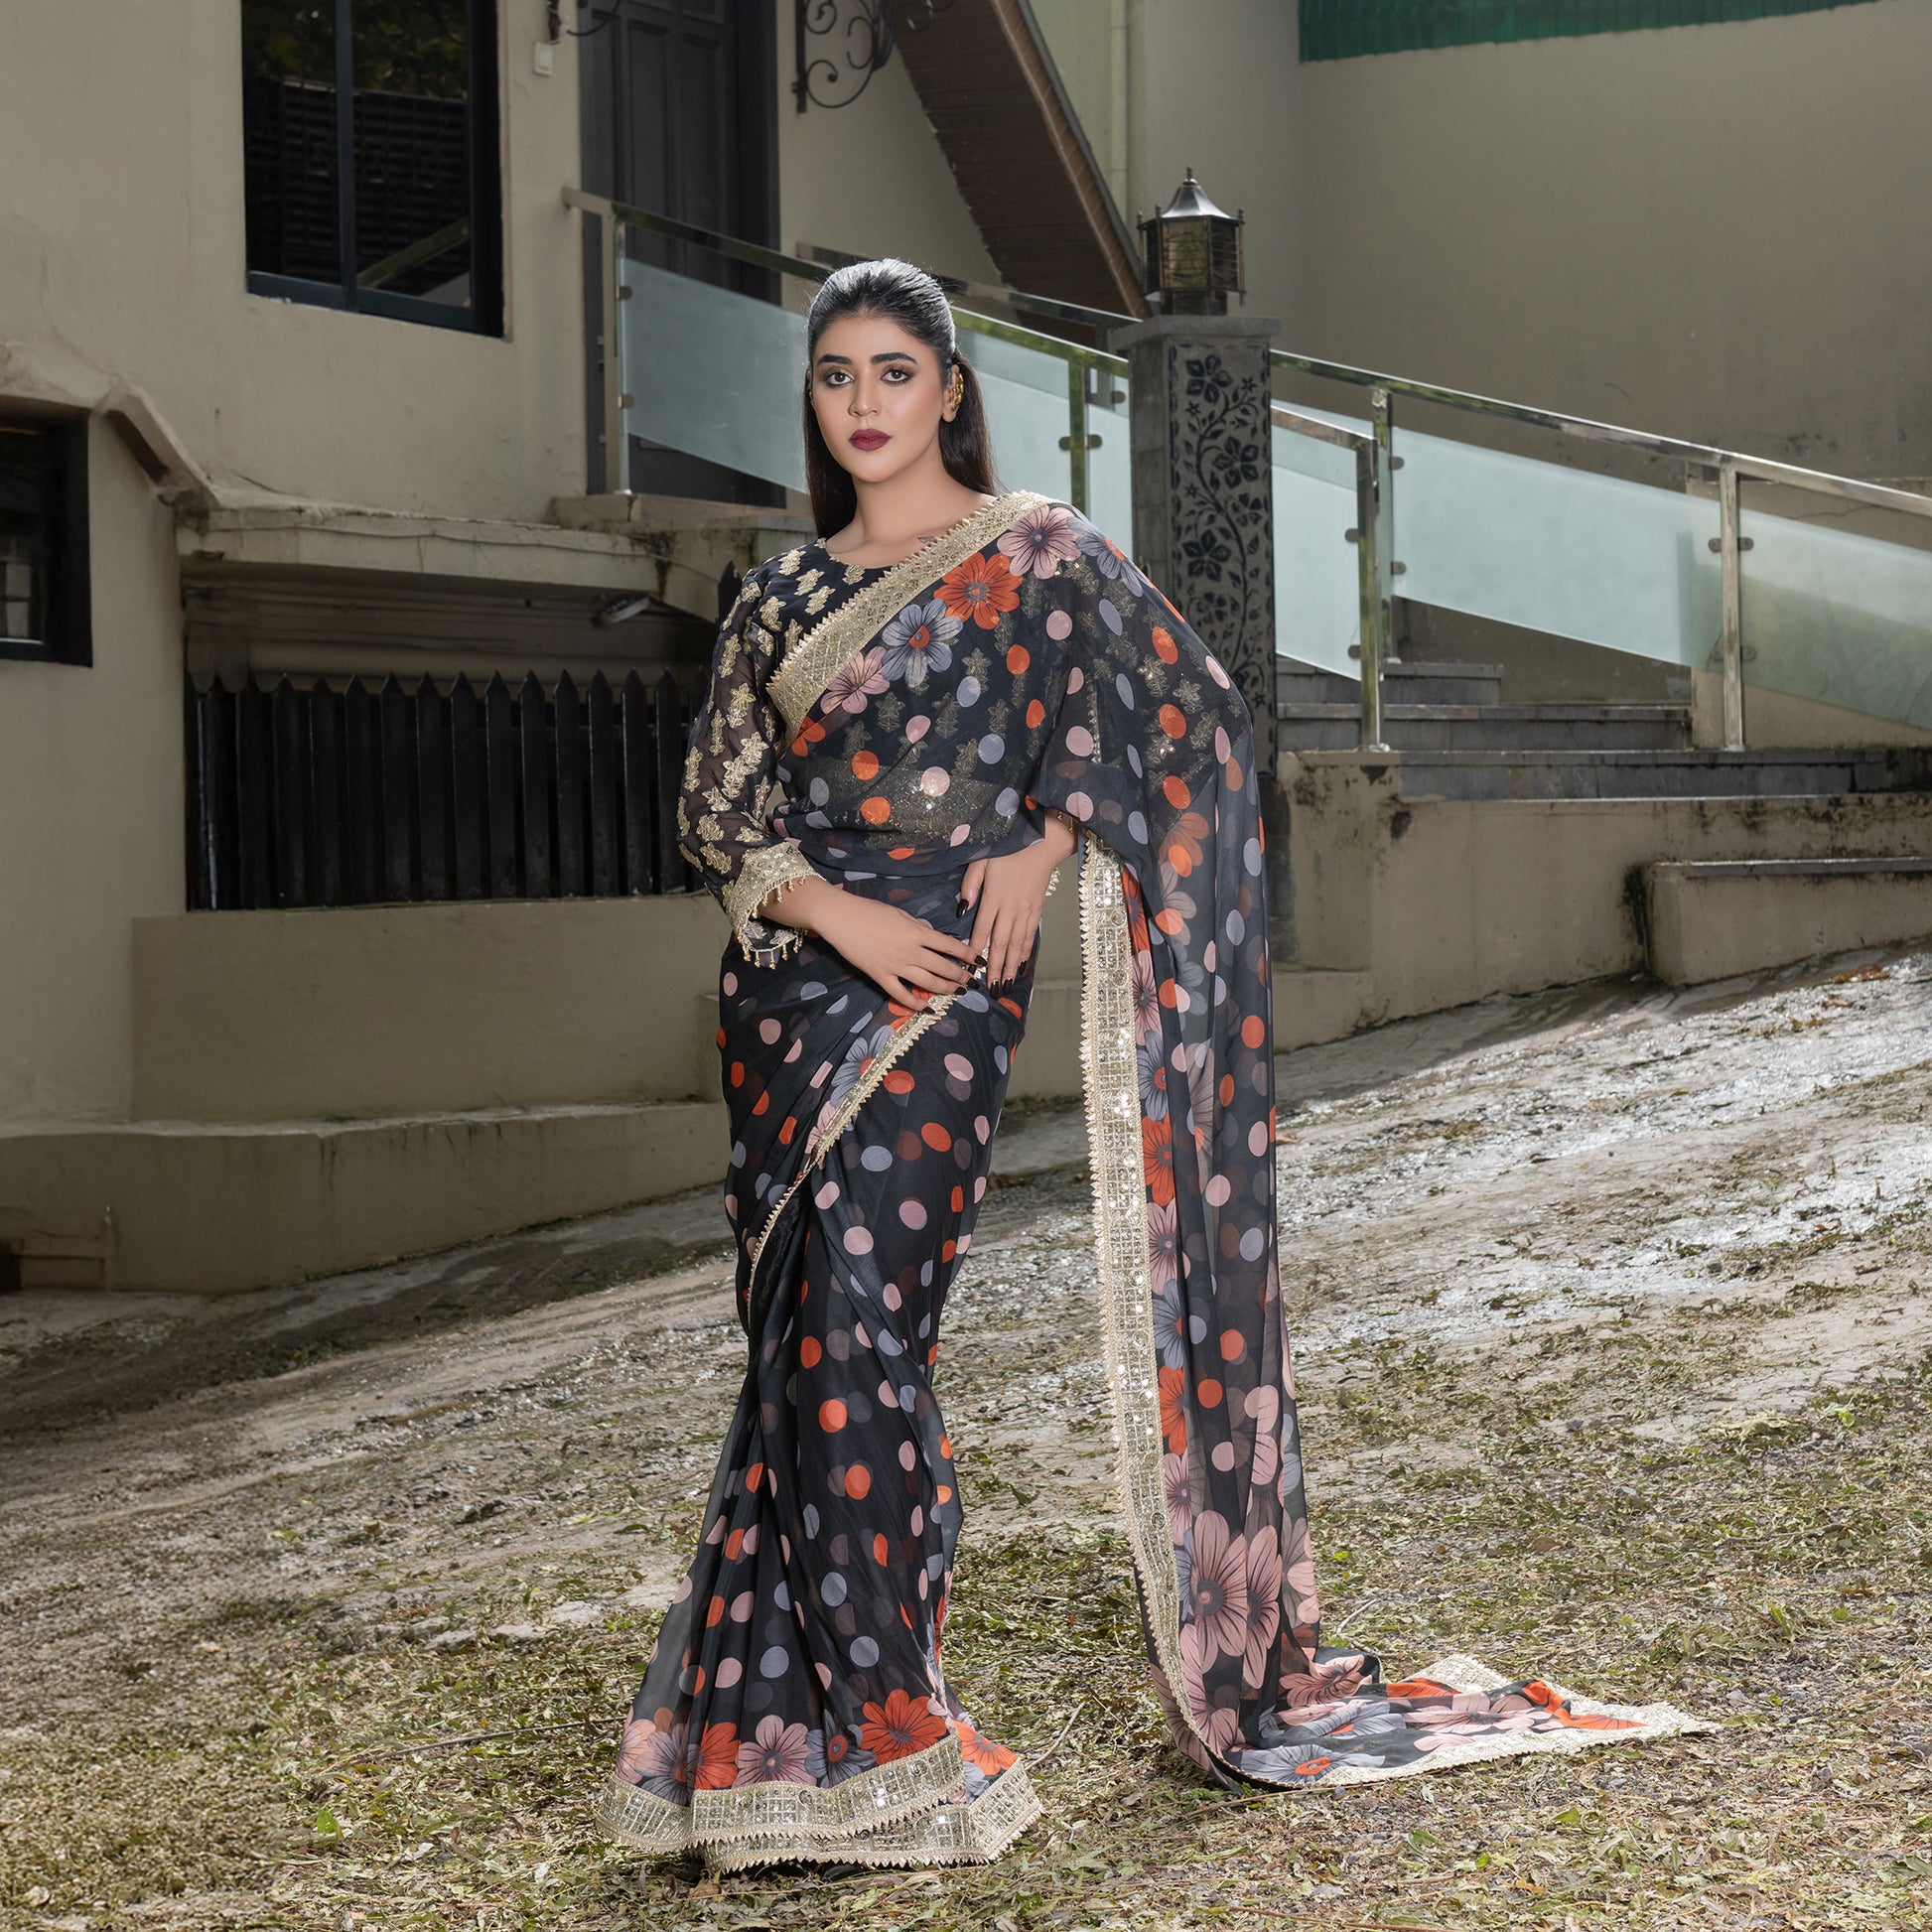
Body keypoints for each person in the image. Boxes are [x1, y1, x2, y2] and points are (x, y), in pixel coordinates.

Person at [597, 259, 1699, 1874]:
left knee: (862, 1332)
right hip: (794, 1000)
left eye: (894, 371)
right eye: (835, 376)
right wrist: (836, 916)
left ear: (950, 388)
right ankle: (791, 1739)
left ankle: (882, 1722)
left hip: (943, 1004)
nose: (864, 404)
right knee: (801, 1353)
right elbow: (721, 814)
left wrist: (1047, 838)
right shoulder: (776, 596)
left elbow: (1187, 722)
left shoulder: (1037, 557)